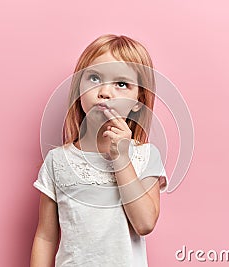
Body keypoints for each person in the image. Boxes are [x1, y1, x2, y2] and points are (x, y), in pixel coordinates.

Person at [30, 34, 168, 267]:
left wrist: (121, 158)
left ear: (138, 101)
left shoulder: (145, 156)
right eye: (94, 78)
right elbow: (45, 236)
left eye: (121, 84)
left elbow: (144, 224)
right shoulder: (57, 161)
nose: (105, 92)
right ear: (78, 89)